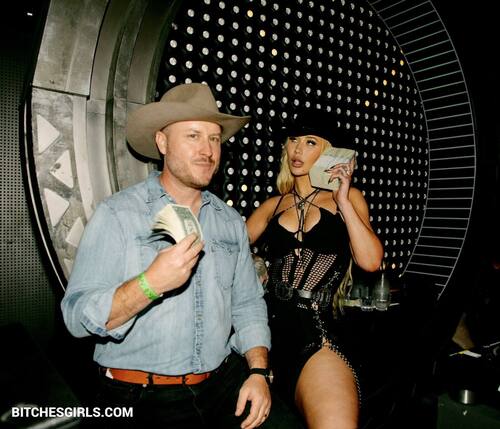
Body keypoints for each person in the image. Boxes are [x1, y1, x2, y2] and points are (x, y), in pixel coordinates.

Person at [61, 83, 302, 429]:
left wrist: (258, 372)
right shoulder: (118, 214)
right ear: (162, 143)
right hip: (140, 396)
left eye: (214, 138)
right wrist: (150, 284)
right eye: (193, 136)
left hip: (222, 385)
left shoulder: (229, 222)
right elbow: (75, 316)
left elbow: (248, 303)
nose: (208, 150)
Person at [246, 109, 384, 428]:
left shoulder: (348, 199)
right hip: (264, 333)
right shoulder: (272, 205)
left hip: (317, 334)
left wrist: (343, 201)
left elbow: (370, 261)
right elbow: (226, 252)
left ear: (328, 153)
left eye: (310, 142)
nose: (298, 149)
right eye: (294, 140)